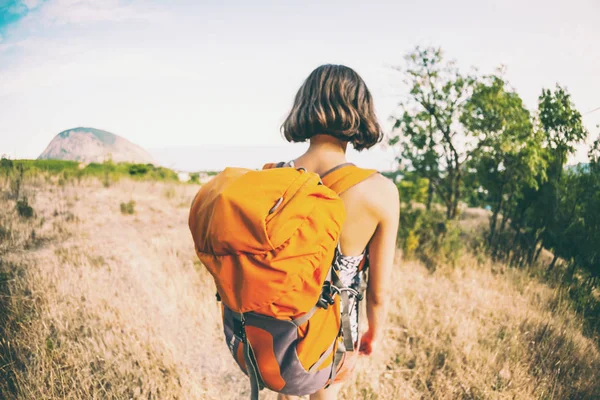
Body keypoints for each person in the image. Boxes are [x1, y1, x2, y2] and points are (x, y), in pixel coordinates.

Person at [274, 64, 400, 400]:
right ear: (360, 113)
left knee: (283, 391)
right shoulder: (380, 191)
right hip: (336, 328)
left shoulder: (272, 178)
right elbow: (378, 292)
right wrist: (374, 332)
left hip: (274, 325)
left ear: (304, 106)